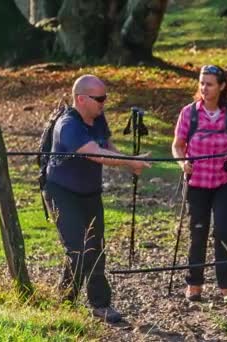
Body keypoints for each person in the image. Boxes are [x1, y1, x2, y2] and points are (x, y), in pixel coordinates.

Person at [43, 74, 150, 323]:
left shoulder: (97, 118)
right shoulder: (68, 125)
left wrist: (129, 164)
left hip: (89, 192)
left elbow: (107, 147)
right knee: (78, 251)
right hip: (62, 192)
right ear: (81, 99)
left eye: (105, 97)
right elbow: (94, 154)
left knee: (95, 249)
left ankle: (100, 305)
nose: (104, 102)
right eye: (99, 98)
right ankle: (64, 303)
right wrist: (130, 161)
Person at [171, 65, 227, 301]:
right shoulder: (189, 113)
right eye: (201, 83)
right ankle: (194, 284)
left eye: (210, 84)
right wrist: (182, 162)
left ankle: (226, 284)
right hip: (197, 182)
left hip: (225, 181)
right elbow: (177, 145)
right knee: (198, 232)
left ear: (222, 86)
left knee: (224, 231)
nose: (204, 88)